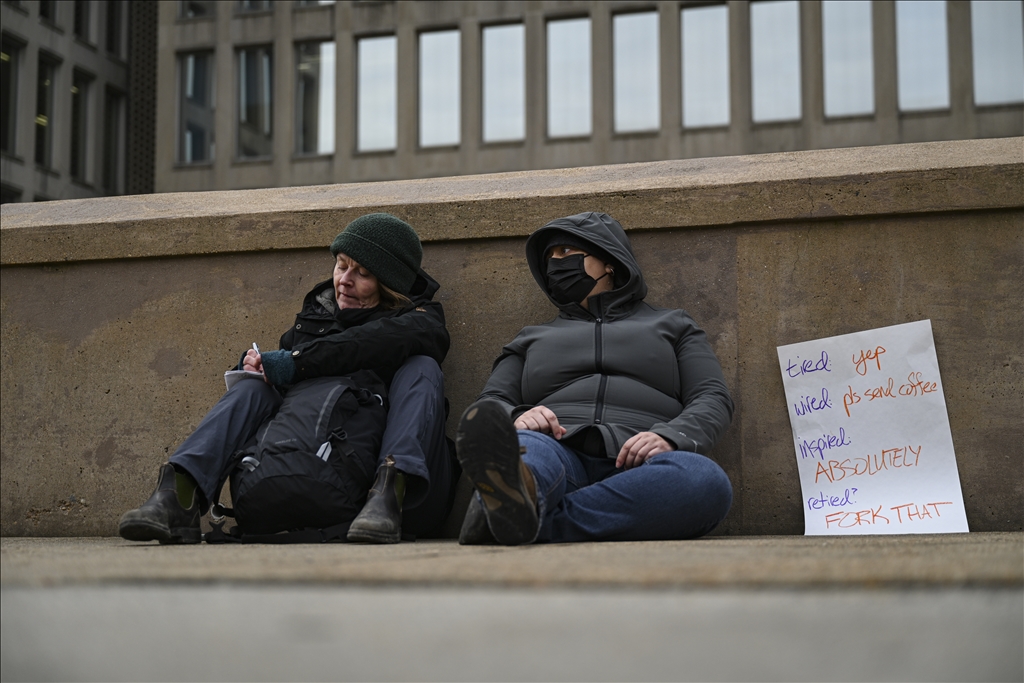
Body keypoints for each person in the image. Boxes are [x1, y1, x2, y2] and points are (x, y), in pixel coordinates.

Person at [119, 213, 453, 544]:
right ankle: (179, 495)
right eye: (341, 265)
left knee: (422, 367)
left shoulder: (421, 322)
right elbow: (289, 377)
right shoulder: (313, 321)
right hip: (306, 472)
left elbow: (365, 343)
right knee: (255, 388)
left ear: (389, 283)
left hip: (388, 493)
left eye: (363, 273)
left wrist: (295, 362)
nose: (344, 280)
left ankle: (388, 496)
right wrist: (257, 367)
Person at [455, 212, 733, 545]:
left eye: (566, 253)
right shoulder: (531, 338)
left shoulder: (674, 326)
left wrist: (671, 437)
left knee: (705, 481)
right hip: (555, 448)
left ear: (609, 263)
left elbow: (712, 397)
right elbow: (489, 405)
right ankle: (521, 492)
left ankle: (521, 519)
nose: (555, 264)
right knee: (528, 454)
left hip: (640, 464)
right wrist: (518, 416)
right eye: (549, 258)